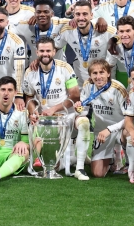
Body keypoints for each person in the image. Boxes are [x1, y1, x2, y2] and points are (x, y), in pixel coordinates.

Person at [23, 37, 84, 179]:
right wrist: (33, 112)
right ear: (37, 52)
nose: (45, 54)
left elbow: (75, 97)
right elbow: (29, 97)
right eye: (42, 51)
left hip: (65, 116)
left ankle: (79, 163)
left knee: (84, 123)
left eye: (48, 51)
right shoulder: (29, 72)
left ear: (54, 51)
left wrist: (54, 109)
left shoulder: (65, 68)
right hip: (42, 119)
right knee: (49, 163)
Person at [75, 60, 129, 178]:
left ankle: (129, 164)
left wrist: (109, 129)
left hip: (119, 130)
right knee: (97, 173)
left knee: (128, 132)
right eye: (94, 73)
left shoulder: (119, 89)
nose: (98, 76)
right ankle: (111, 158)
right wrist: (78, 108)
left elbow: (129, 119)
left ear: (108, 74)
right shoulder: (88, 85)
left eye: (101, 72)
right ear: (90, 75)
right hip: (101, 133)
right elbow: (83, 112)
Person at [55, 0, 116, 84]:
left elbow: (121, 43)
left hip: (103, 77)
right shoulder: (67, 30)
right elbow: (54, 48)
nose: (81, 18)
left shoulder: (105, 29)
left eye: (85, 14)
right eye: (78, 14)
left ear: (91, 15)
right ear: (74, 15)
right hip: (82, 78)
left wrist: (109, 66)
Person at [10, 0, 69, 64]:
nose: (42, 15)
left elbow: (77, 22)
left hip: (58, 68)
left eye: (46, 12)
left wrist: (70, 12)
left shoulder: (60, 24)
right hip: (35, 68)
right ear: (34, 14)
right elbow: (8, 28)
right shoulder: (26, 25)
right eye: (39, 12)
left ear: (52, 14)